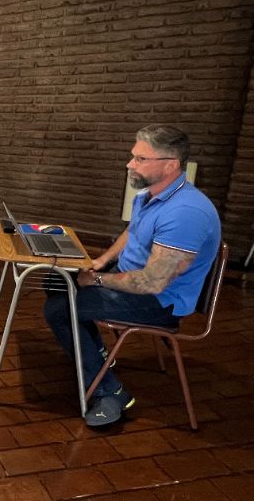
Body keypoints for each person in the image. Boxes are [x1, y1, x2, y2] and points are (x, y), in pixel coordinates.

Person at [44, 125, 221, 427]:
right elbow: (133, 231)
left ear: (171, 165)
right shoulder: (149, 195)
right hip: (131, 278)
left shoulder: (186, 213)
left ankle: (110, 392)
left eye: (140, 159)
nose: (130, 164)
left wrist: (96, 280)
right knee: (55, 280)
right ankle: (99, 355)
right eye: (133, 156)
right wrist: (103, 260)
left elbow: (152, 282)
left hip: (159, 302)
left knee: (59, 310)